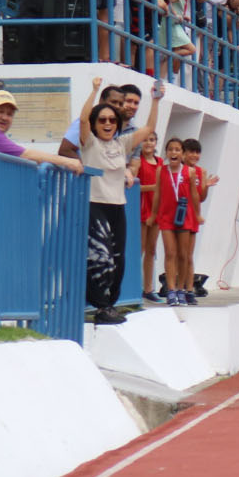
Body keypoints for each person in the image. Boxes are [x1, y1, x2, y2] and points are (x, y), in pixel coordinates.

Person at [78, 76, 162, 324]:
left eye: (112, 120)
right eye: (102, 120)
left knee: (118, 258)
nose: (107, 123)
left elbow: (148, 130)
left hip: (118, 206)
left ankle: (110, 305)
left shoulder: (122, 143)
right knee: (99, 257)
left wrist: (156, 100)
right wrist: (93, 91)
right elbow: (83, 119)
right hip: (95, 204)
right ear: (95, 124)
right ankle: (100, 306)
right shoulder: (90, 143)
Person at [0, 90, 83, 173]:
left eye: (9, 114)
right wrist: (68, 162)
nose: (4, 117)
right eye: (0, 111)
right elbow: (26, 155)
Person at [153, 136, 201, 306]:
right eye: (170, 149)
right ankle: (171, 290)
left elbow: (195, 195)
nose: (174, 152)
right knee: (170, 253)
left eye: (177, 150)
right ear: (166, 153)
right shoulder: (161, 171)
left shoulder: (189, 172)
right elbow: (157, 193)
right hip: (166, 217)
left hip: (184, 217)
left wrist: (197, 214)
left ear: (182, 154)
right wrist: (153, 214)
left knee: (183, 255)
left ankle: (181, 289)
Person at [179, 137, 219, 304]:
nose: (194, 155)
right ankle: (178, 288)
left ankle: (189, 289)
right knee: (176, 254)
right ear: (183, 153)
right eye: (191, 152)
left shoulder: (200, 172)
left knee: (188, 255)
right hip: (178, 213)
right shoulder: (178, 170)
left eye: (197, 152)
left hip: (192, 214)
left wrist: (206, 185)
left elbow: (201, 197)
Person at [130, 129, 162, 303]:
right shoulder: (138, 162)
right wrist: (152, 187)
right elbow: (134, 185)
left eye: (152, 140)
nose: (149, 143)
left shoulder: (160, 162)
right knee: (139, 249)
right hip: (142, 209)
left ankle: (148, 288)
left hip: (156, 210)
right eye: (146, 140)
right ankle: (134, 286)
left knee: (151, 250)